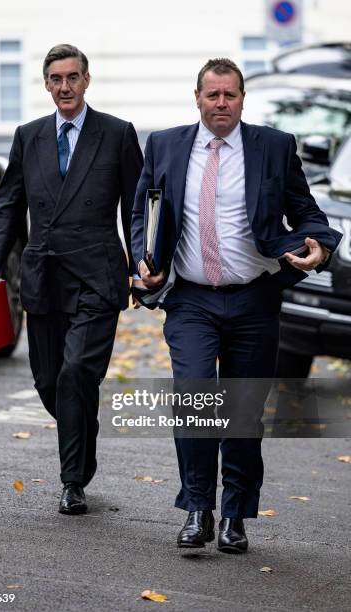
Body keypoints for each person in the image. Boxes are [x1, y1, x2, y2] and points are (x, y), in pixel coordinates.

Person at [131, 58, 341, 551]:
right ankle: (198, 508)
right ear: (197, 98)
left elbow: (306, 212)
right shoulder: (164, 145)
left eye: (230, 95)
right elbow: (145, 210)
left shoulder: (273, 146)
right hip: (190, 300)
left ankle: (235, 515)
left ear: (242, 99)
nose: (221, 103)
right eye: (213, 95)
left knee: (243, 412)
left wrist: (321, 245)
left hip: (255, 300)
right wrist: (145, 258)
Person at [0, 44, 143, 515]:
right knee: (49, 383)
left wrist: (142, 264)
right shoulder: (28, 136)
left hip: (98, 276)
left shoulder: (117, 134)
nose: (64, 86)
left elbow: (136, 208)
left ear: (87, 80)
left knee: (75, 374)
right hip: (44, 276)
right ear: (46, 84)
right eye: (56, 79)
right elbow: (7, 205)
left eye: (72, 77)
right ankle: (80, 427)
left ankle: (72, 481)